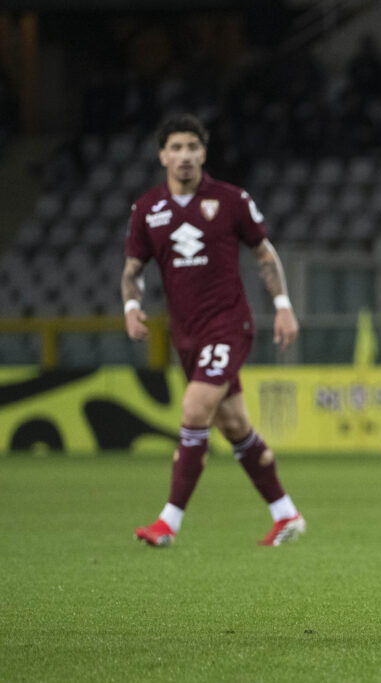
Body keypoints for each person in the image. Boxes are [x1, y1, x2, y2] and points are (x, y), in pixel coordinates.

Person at [123, 113, 305, 547]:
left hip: (229, 324)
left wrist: (283, 307)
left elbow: (264, 254)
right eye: (176, 147)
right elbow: (132, 269)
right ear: (163, 155)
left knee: (194, 409)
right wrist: (131, 307)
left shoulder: (231, 200)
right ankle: (287, 514)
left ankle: (168, 523)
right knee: (235, 424)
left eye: (192, 147)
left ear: (204, 153)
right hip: (186, 334)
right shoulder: (147, 209)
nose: (185, 155)